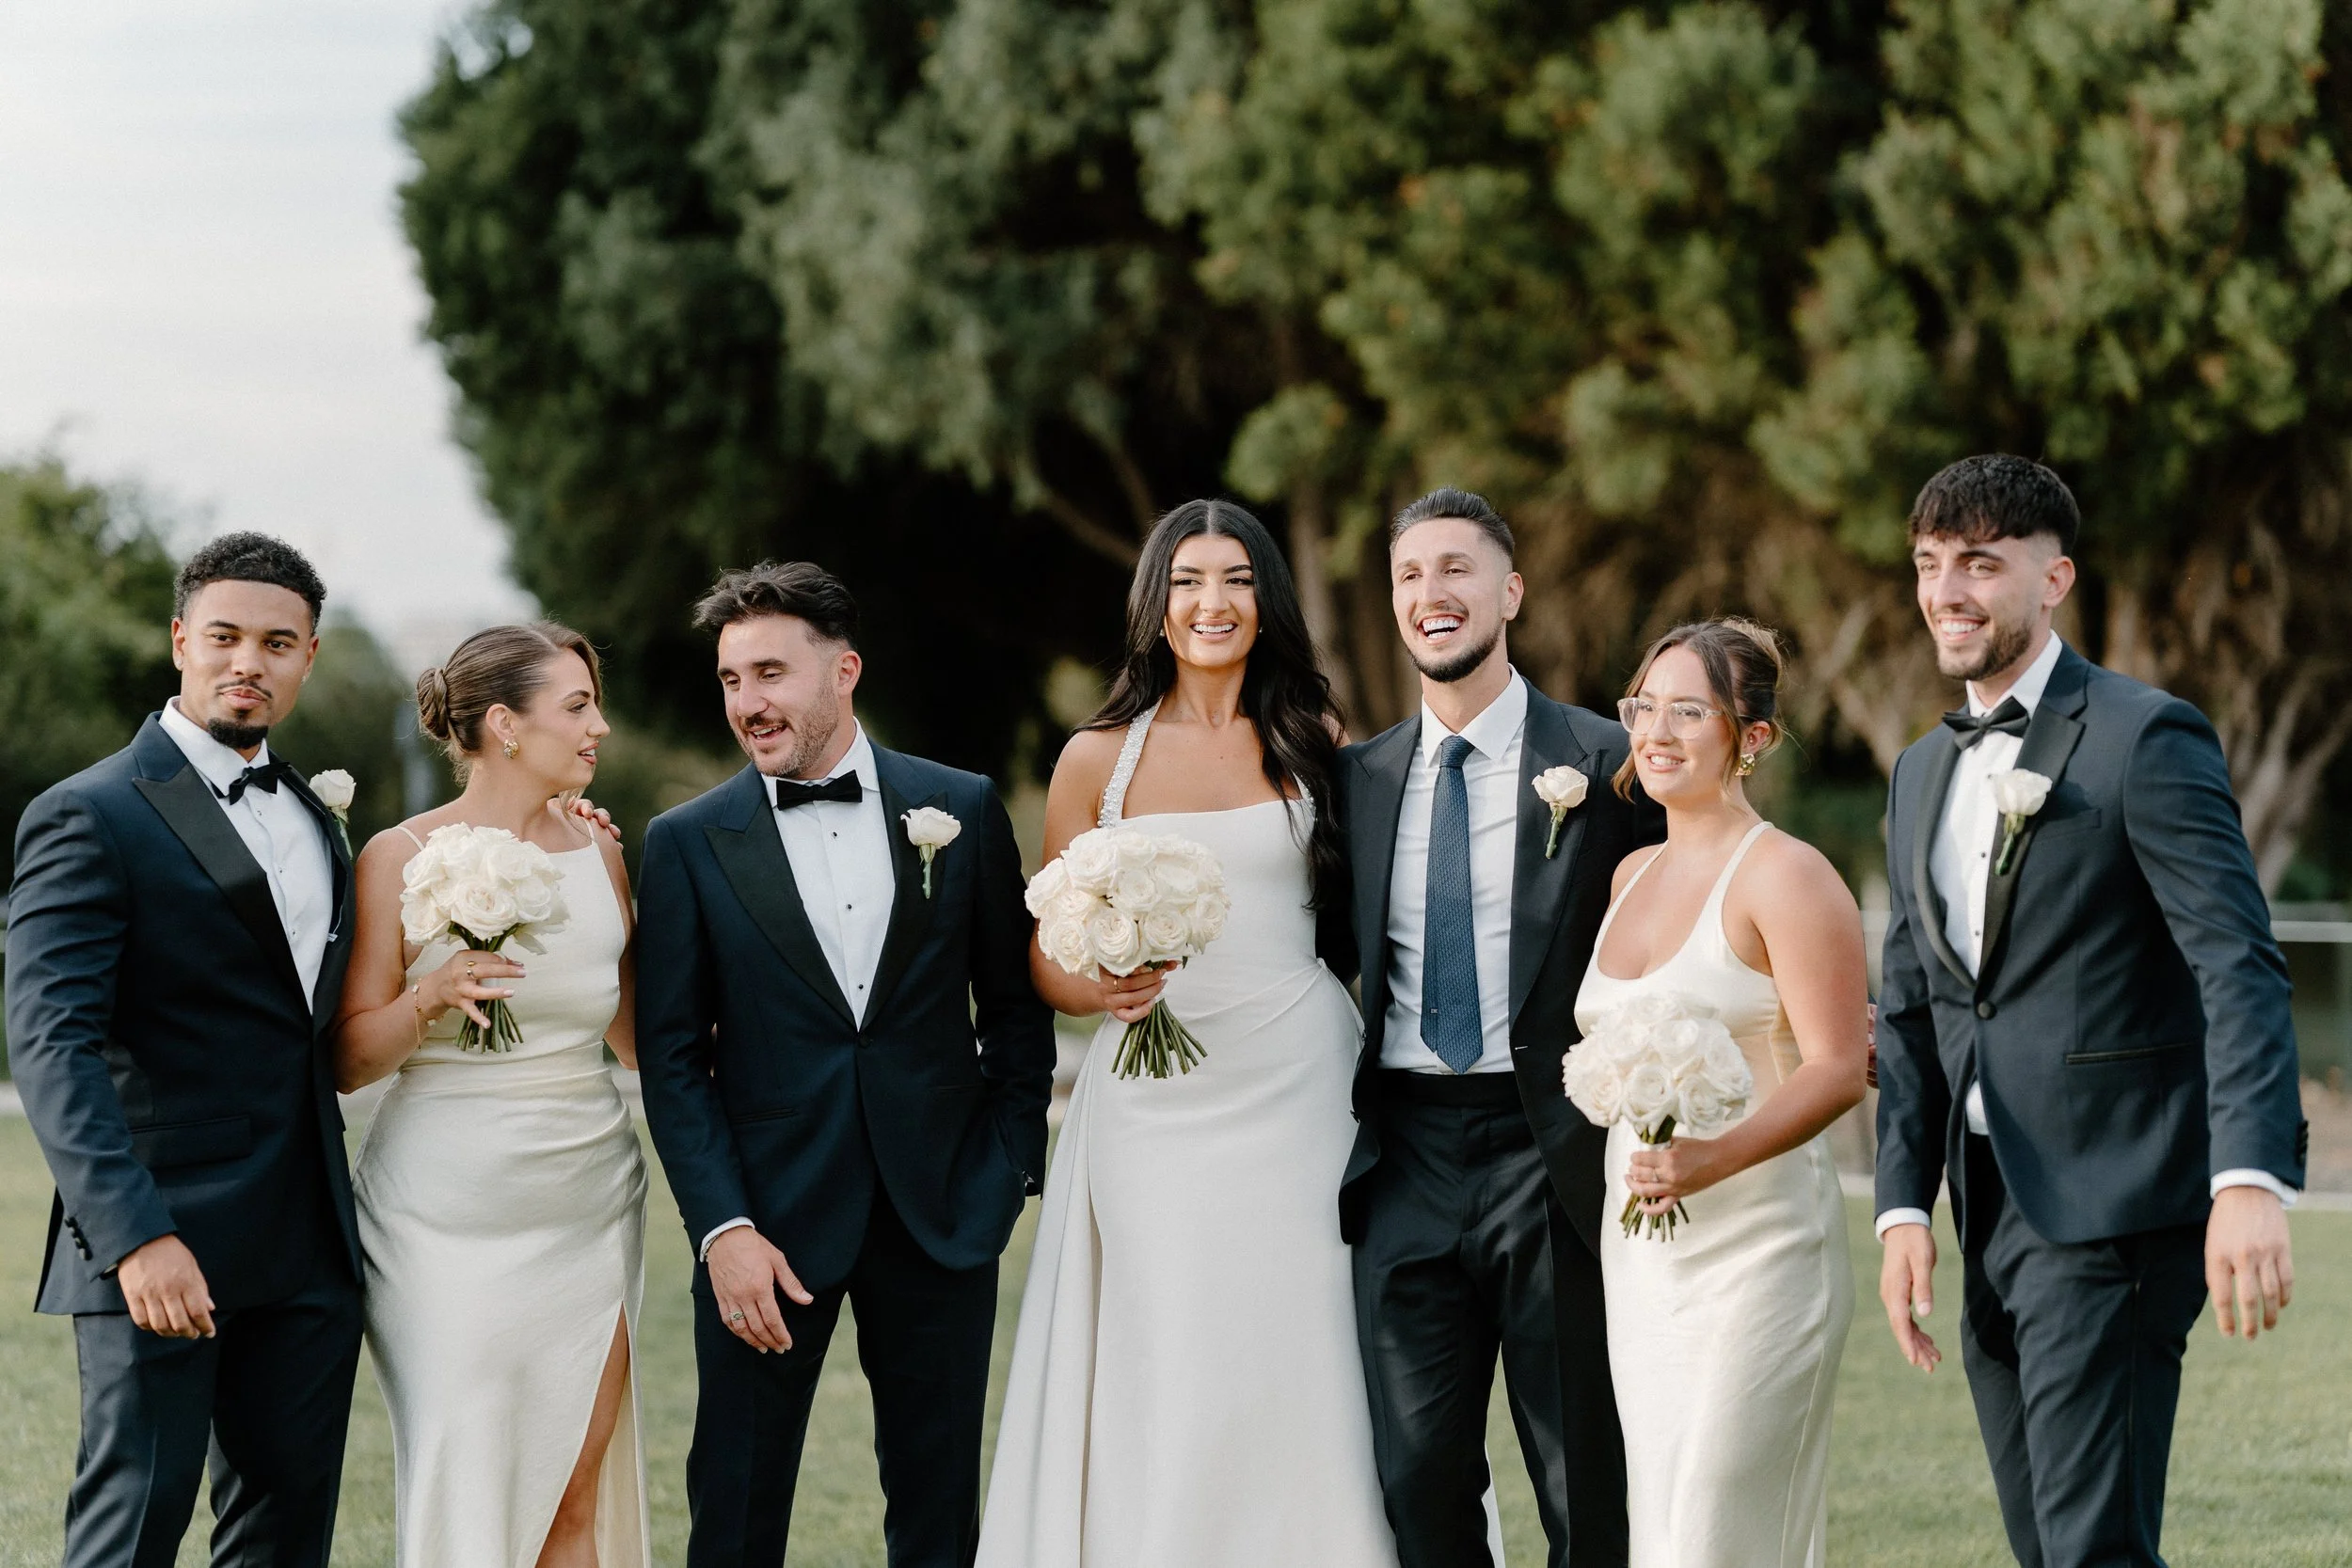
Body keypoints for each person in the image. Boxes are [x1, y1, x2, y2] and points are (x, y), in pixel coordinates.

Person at [1874, 454, 2308, 1568]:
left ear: (2053, 577)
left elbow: (2238, 964)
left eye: (1979, 562)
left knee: (2088, 1550)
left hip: (2114, 1207)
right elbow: (1915, 1004)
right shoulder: (1919, 770)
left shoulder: (2141, 736)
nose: (1946, 590)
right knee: (2052, 1547)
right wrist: (1900, 1207)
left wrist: (2249, 1177)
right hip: (1987, 1214)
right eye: (1929, 564)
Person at [978, 499, 1400, 1567]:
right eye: (1187, 581)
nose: (1212, 602)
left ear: (1267, 603)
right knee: (1171, 1350)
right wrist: (1100, 983)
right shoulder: (1096, 760)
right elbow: (1045, 953)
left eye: (1237, 580)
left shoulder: (1318, 742)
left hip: (1301, 1084)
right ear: (1154, 606)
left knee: (1304, 1339)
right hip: (1154, 1103)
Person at [633, 562, 1055, 1568]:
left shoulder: (960, 807)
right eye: (732, 679)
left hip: (941, 1212)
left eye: (770, 672)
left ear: (844, 670)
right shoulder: (687, 842)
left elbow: (1013, 1007)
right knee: (733, 1510)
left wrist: (1002, 1170)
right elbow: (672, 1055)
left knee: (938, 1507)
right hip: (765, 1228)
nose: (748, 702)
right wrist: (721, 1228)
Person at [6, 534, 364, 1567]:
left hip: (307, 1245)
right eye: (224, 635)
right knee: (134, 1527)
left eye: (277, 641)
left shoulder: (312, 813)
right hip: (164, 1237)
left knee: (285, 1533)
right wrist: (133, 1238)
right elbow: (52, 1040)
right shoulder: (90, 810)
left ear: (307, 657)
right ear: (179, 641)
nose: (248, 659)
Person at [1339, 487, 1664, 1568]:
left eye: (1456, 568)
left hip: (1553, 1146)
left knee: (1582, 1472)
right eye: (1408, 575)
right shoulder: (1358, 780)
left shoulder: (1610, 758)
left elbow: (1688, 901)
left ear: (1510, 590)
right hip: (1406, 1159)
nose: (1432, 593)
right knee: (1417, 1476)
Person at [329, 623, 649, 1567]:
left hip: (589, 1210)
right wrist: (429, 995)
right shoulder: (395, 855)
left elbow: (635, 1038)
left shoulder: (602, 852)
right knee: (471, 1500)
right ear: (506, 724)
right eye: (579, 705)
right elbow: (348, 1056)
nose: (600, 727)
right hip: (442, 1225)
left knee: (571, 1497)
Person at [1572, 619, 1868, 1567]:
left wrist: (1708, 1158)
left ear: (1752, 738)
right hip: (1645, 1255)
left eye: (1687, 709)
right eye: (1642, 705)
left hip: (1762, 1254)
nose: (1655, 730)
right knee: (1659, 1522)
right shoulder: (1630, 872)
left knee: (1716, 1522)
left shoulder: (1787, 873)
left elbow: (1833, 1067)